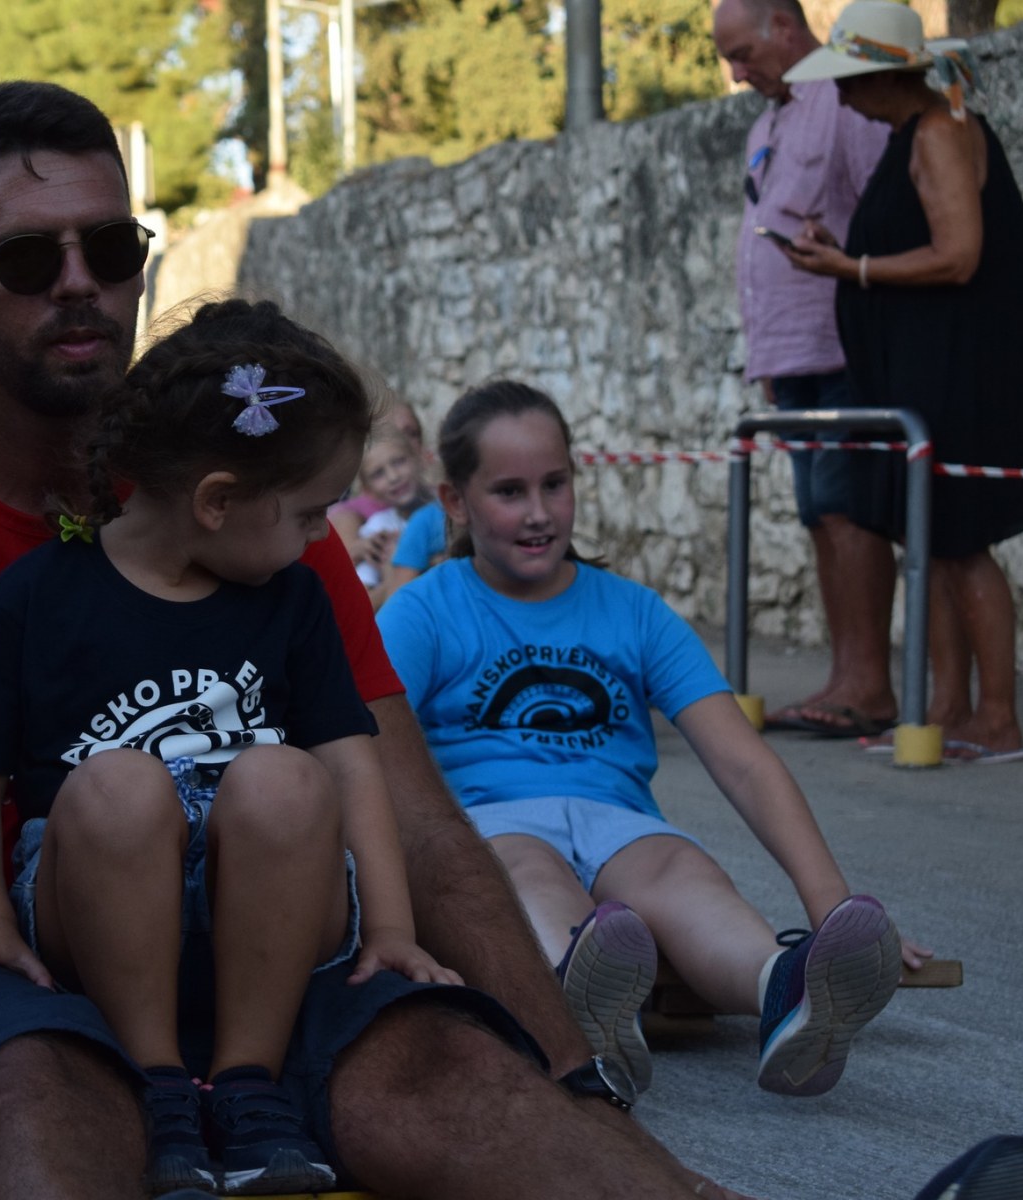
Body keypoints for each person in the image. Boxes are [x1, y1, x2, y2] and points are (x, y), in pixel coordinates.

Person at [0, 80, 1023, 1200]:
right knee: (42, 1097)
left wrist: (577, 1092)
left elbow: (421, 828)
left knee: (450, 1070)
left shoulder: (251, 518)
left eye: (109, 248)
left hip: (252, 965)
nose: (79, 283)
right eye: (26, 256)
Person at [0, 299, 461, 1195]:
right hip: (97, 899)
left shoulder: (293, 600)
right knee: (119, 785)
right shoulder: (37, 598)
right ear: (217, 501)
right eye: (309, 514)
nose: (320, 538)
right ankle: (157, 1082)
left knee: (285, 776)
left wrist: (392, 928)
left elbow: (351, 763)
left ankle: (249, 1083)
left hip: (275, 894)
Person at [375, 380, 929, 1097]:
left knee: (681, 874)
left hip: (618, 821)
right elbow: (367, 745)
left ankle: (787, 987)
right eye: (509, 492)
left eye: (555, 485)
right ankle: (580, 998)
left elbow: (744, 763)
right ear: (455, 501)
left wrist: (832, 912)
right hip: (492, 819)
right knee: (527, 876)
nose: (539, 512)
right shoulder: (422, 611)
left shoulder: (633, 612)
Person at [780, 0, 1023, 764]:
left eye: (851, 77)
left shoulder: (939, 131)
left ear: (887, 76)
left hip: (956, 370)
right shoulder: (911, 136)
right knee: (929, 542)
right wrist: (846, 253)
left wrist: (853, 268)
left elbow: (959, 254)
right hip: (920, 369)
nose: (841, 93)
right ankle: (945, 710)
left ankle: (996, 718)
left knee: (961, 543)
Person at [713, 0, 899, 739]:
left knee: (850, 511)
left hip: (841, 344)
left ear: (784, 28)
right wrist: (765, 350)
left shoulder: (847, 103)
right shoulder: (768, 124)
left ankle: (869, 685)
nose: (737, 73)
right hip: (789, 355)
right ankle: (845, 677)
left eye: (743, 53)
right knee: (820, 513)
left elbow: (886, 213)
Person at [328, 424, 433, 606]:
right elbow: (364, 599)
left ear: (417, 457)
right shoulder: (379, 531)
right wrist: (399, 570)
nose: (393, 477)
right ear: (368, 489)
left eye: (399, 461)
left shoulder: (448, 504)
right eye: (378, 474)